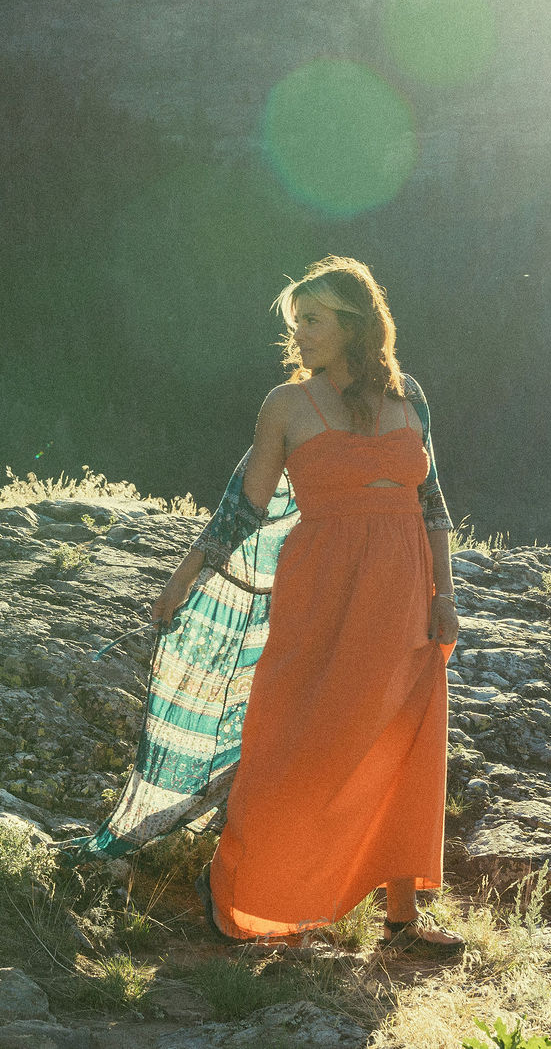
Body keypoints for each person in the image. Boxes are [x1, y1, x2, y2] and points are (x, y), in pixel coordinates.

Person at [139, 256, 461, 948]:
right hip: (322, 596)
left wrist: (446, 594)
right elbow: (242, 508)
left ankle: (402, 918)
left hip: (405, 597)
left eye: (312, 319)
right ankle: (238, 885)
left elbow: (431, 504)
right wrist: (183, 576)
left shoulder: (411, 397)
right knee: (291, 742)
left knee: (404, 740)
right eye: (297, 321)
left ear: (354, 322)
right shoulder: (285, 405)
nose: (300, 334)